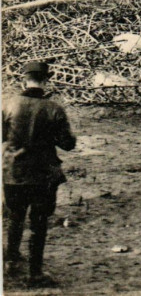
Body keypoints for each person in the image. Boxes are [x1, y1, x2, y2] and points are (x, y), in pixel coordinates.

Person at [3, 61, 76, 286]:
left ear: (24, 79)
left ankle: (11, 261)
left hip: (13, 172)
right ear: (46, 80)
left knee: (15, 217)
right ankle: (35, 274)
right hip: (43, 175)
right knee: (39, 223)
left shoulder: (9, 104)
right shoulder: (54, 109)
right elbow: (68, 144)